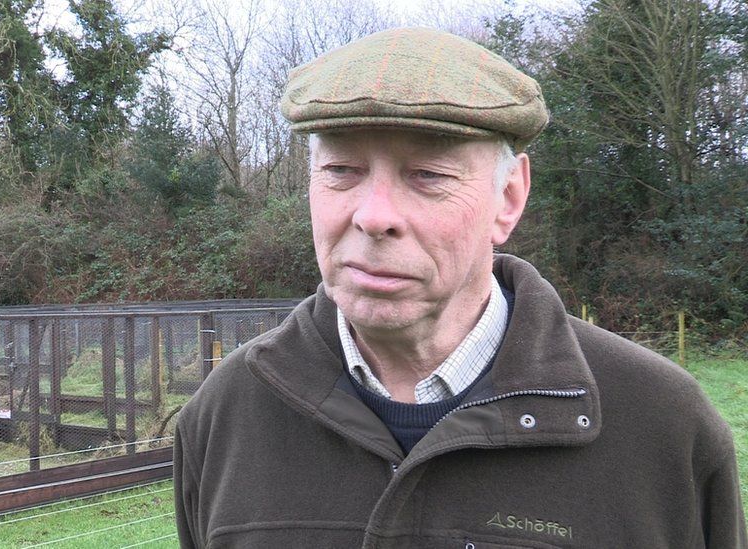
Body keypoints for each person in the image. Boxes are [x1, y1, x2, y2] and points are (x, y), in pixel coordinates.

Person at [172, 27, 746, 548]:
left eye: (429, 176)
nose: (374, 216)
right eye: (341, 170)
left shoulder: (662, 428)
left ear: (509, 198)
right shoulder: (224, 414)